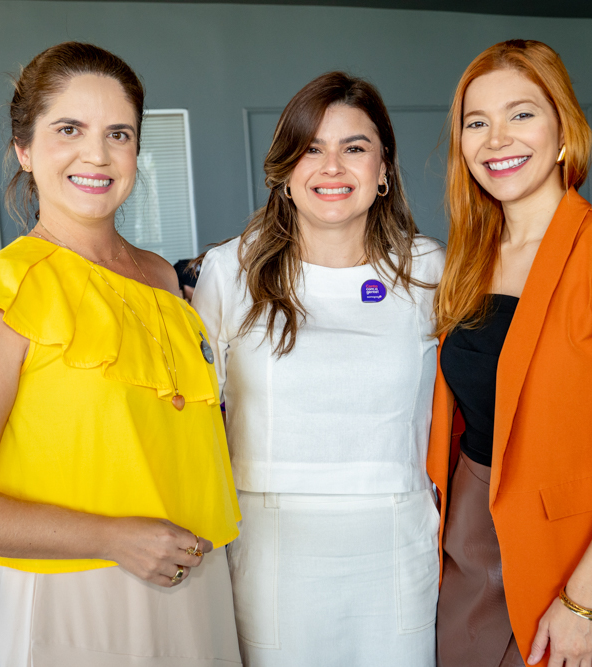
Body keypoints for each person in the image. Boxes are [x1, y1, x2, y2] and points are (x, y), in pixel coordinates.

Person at [0, 42, 242, 666]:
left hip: (200, 584)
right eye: (69, 129)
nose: (97, 154)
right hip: (80, 593)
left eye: (119, 133)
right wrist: (113, 537)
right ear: (25, 149)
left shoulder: (164, 281)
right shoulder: (5, 290)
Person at [428, 39, 592, 667]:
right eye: (477, 122)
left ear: (564, 130)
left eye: (522, 114)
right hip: (466, 530)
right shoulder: (465, 259)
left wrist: (584, 599)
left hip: (570, 551)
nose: (498, 139)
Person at [193, 71, 445, 667]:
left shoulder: (430, 270)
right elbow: (193, 413)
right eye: (311, 148)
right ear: (284, 171)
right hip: (270, 543)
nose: (332, 167)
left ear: (383, 170)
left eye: (354, 148)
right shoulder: (232, 270)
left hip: (395, 539)